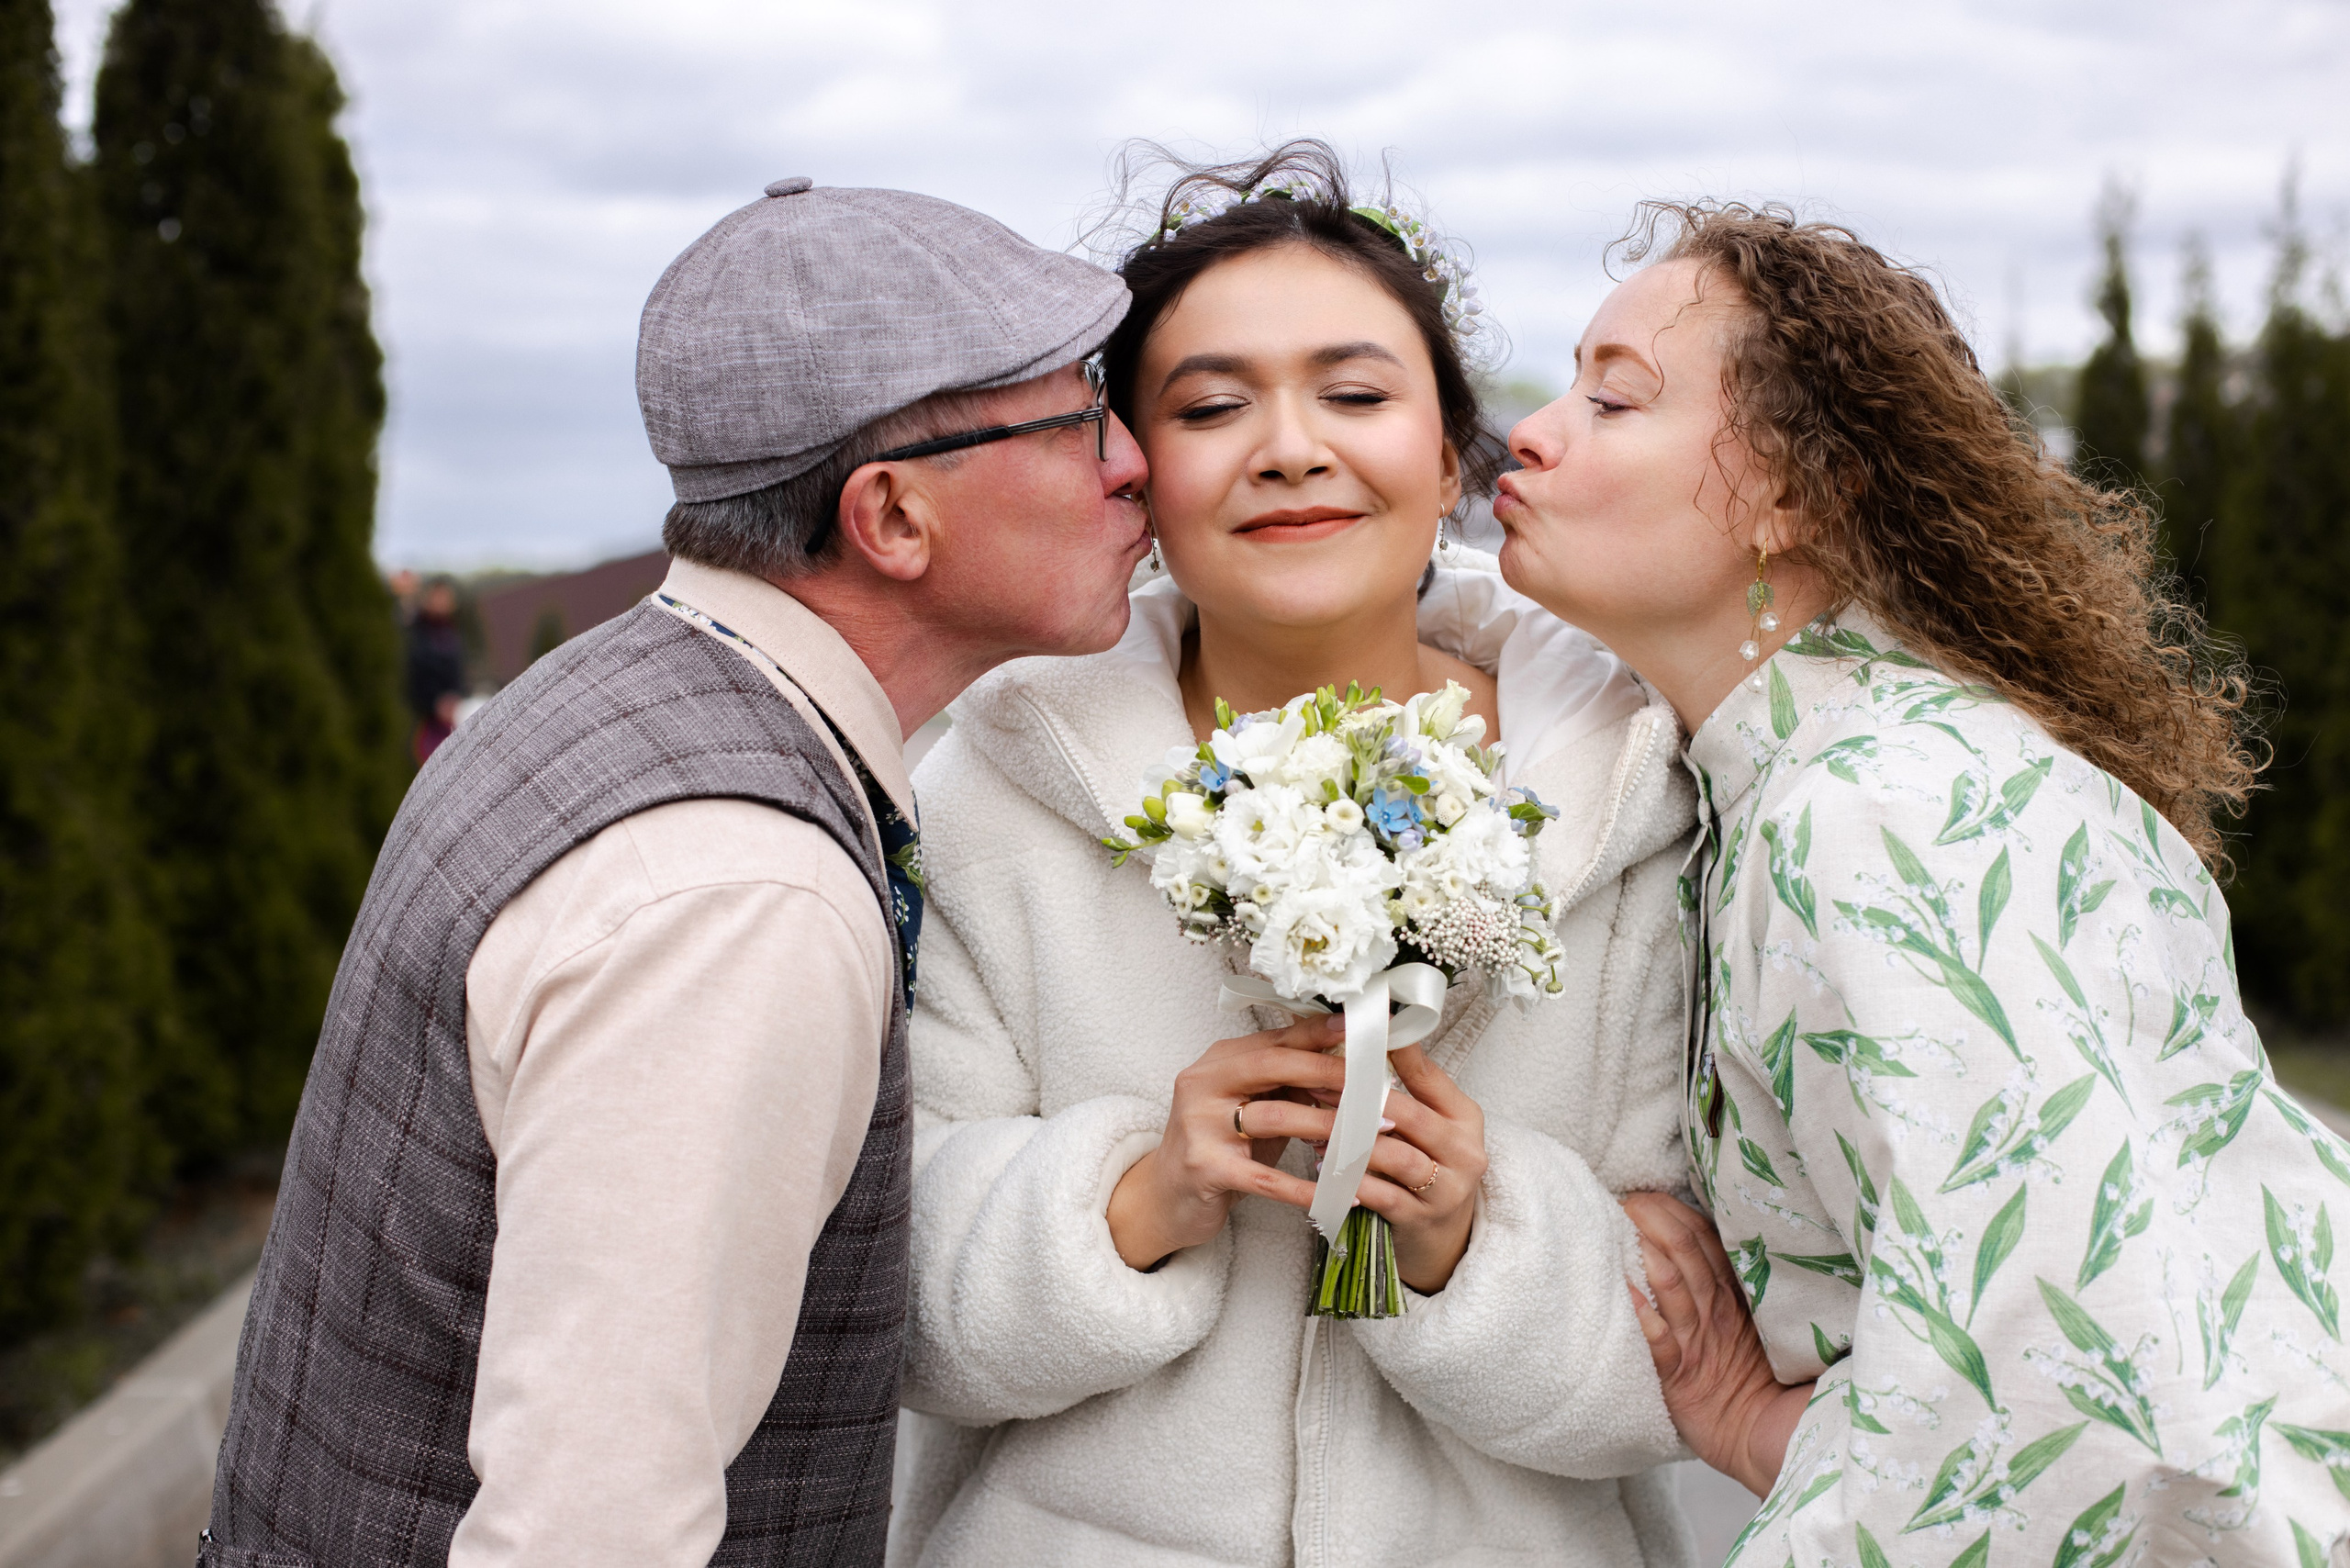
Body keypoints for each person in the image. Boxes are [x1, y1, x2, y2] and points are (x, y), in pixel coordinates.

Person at [198, 179, 1146, 1568]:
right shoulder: (739, 893)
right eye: (1077, 417)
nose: (1132, 460)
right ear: (890, 518)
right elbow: (588, 1531)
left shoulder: (610, 701)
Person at [1496, 201, 2350, 1562]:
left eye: (1615, 399)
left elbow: (2074, 1386)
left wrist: (1753, 1433)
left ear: (1794, 495)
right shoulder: (1785, 784)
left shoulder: (1892, 809)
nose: (1533, 431)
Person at [890, 143, 1700, 1568]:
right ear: (1136, 476)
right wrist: (1134, 1201)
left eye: (1356, 394)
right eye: (1210, 406)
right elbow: (883, 1300)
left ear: (1452, 454)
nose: (1289, 448)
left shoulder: (1628, 795)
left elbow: (1705, 1338)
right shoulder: (989, 797)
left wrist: (1472, 1234)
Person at [404, 575, 468, 762]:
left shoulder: (452, 633)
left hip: (450, 720)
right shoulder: (415, 634)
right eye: (437, 596)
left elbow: (458, 675)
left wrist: (456, 698)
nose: (442, 602)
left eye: (445, 597)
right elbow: (411, 678)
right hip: (423, 724)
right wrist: (434, 703)